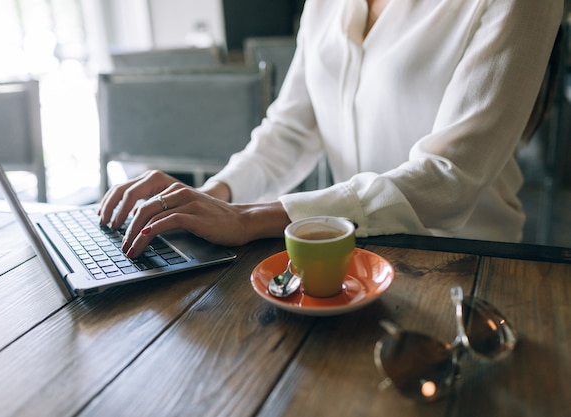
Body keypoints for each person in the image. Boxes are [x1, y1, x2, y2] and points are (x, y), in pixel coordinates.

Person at [99, 0, 563, 259]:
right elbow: (291, 130)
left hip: (469, 264)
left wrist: (249, 219)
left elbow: (447, 178)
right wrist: (212, 197)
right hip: (346, 256)